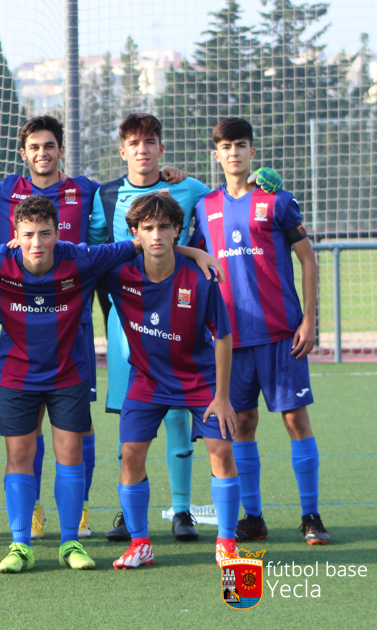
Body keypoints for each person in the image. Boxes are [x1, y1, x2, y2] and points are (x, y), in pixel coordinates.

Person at [0, 115, 188, 540]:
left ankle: (78, 515)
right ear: (23, 153)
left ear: (61, 150)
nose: (42, 153)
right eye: (34, 146)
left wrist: (173, 187)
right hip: (13, 327)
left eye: (50, 145)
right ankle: (22, 518)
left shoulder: (87, 190)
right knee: (10, 436)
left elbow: (141, 229)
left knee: (78, 432)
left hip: (73, 325)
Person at [89, 113, 280, 542]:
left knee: (181, 419)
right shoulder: (103, 194)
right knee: (131, 417)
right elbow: (94, 250)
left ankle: (181, 510)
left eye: (150, 141)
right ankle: (128, 515)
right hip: (128, 314)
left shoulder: (189, 188)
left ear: (161, 147)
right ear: (122, 151)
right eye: (134, 143)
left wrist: (264, 182)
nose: (142, 149)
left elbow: (222, 202)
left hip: (182, 304)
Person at [190, 117, 328, 546]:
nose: (234, 152)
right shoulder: (204, 205)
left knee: (294, 420)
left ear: (252, 152)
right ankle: (253, 517)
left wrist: (309, 319)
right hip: (230, 339)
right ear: (216, 155)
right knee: (242, 422)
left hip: (280, 332)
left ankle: (310, 515)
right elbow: (194, 254)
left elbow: (308, 260)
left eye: (241, 145)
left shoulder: (277, 201)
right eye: (226, 146)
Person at [99, 193, 240, 568]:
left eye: (164, 227)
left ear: (178, 230)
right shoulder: (119, 273)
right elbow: (78, 259)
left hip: (200, 380)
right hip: (146, 380)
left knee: (222, 453)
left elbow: (223, 337)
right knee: (130, 455)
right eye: (148, 228)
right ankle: (140, 543)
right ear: (135, 233)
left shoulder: (202, 279)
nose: (157, 235)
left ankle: (227, 543)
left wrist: (223, 397)